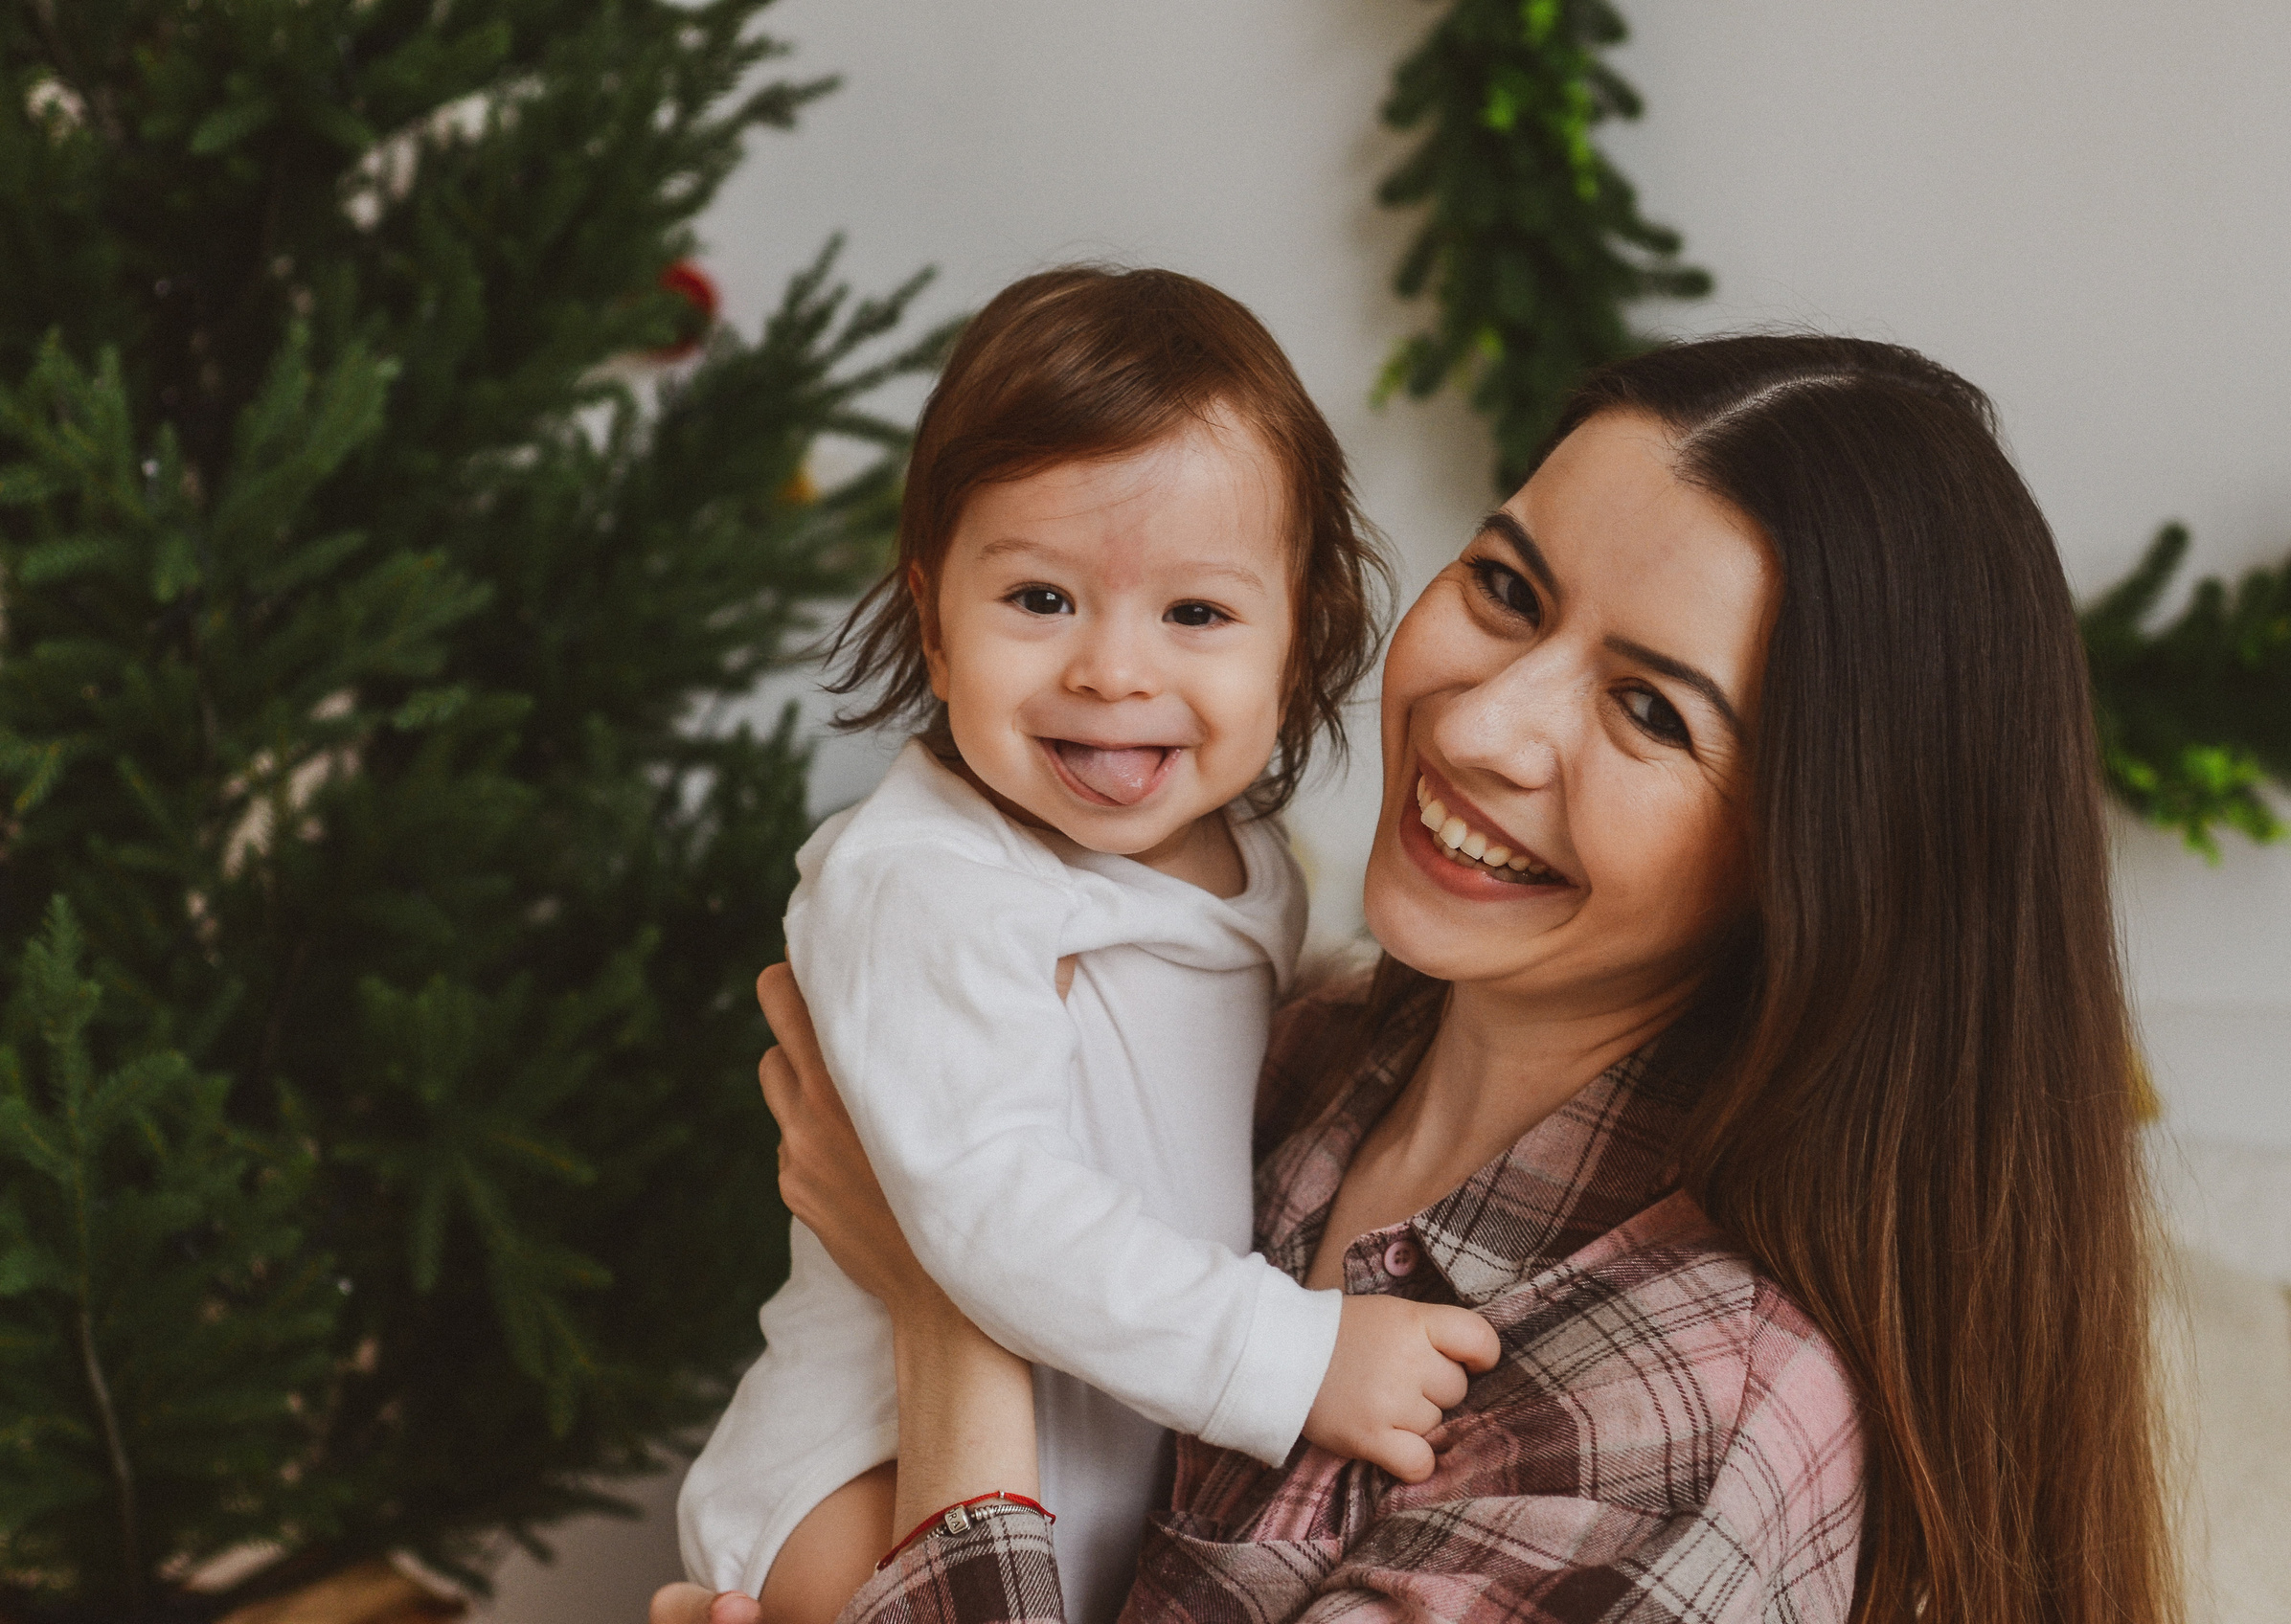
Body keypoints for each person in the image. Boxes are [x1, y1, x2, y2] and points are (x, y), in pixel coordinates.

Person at [682, 333, 2180, 1624]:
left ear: (1821, 857)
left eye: (1651, 710)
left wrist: (952, 1309)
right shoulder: (1292, 1055)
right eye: (1512, 590)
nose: (1483, 726)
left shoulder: (1693, 1402)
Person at [675, 267, 1500, 1624]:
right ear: (934, 625)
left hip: (1104, 1472)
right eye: (1042, 601)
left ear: (1298, 647)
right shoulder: (930, 884)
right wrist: (1288, 1356)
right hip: (857, 1479)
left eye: (1196, 614)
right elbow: (986, 1206)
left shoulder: (1246, 862)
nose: (1114, 671)